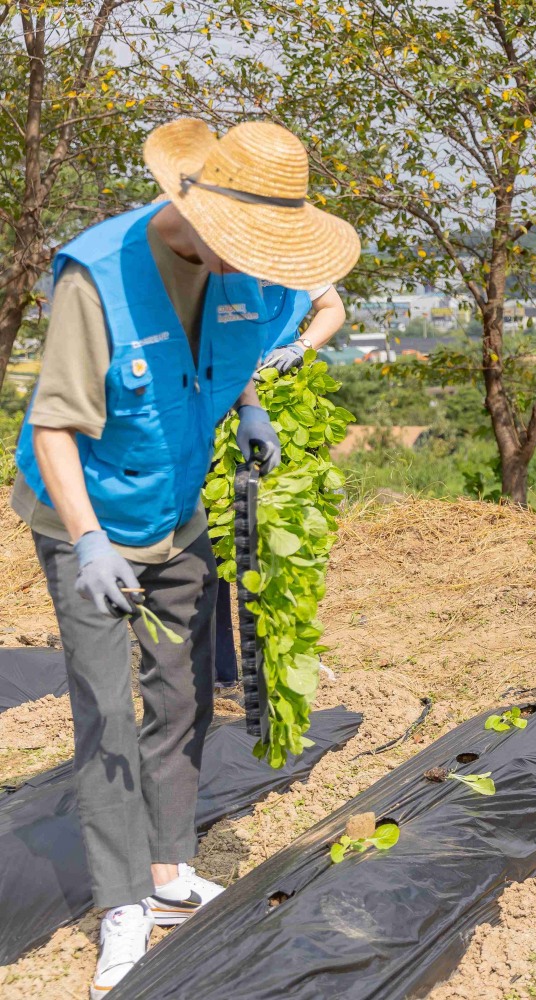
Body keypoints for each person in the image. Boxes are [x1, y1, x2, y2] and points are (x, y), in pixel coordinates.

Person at [9, 118, 359, 998]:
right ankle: (122, 905)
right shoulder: (98, 279)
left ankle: (168, 874)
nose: (258, 267)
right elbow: (54, 427)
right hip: (87, 517)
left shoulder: (250, 271)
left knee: (183, 694)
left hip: (179, 507)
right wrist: (88, 540)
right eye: (247, 245)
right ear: (198, 213)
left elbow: (230, 351)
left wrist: (250, 407)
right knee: (105, 711)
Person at [212, 282, 346, 689]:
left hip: (282, 396)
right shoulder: (218, 261)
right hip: (217, 393)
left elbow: (332, 307)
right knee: (215, 536)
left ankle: (288, 656)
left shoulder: (300, 256)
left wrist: (300, 347)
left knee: (285, 533)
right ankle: (216, 669)